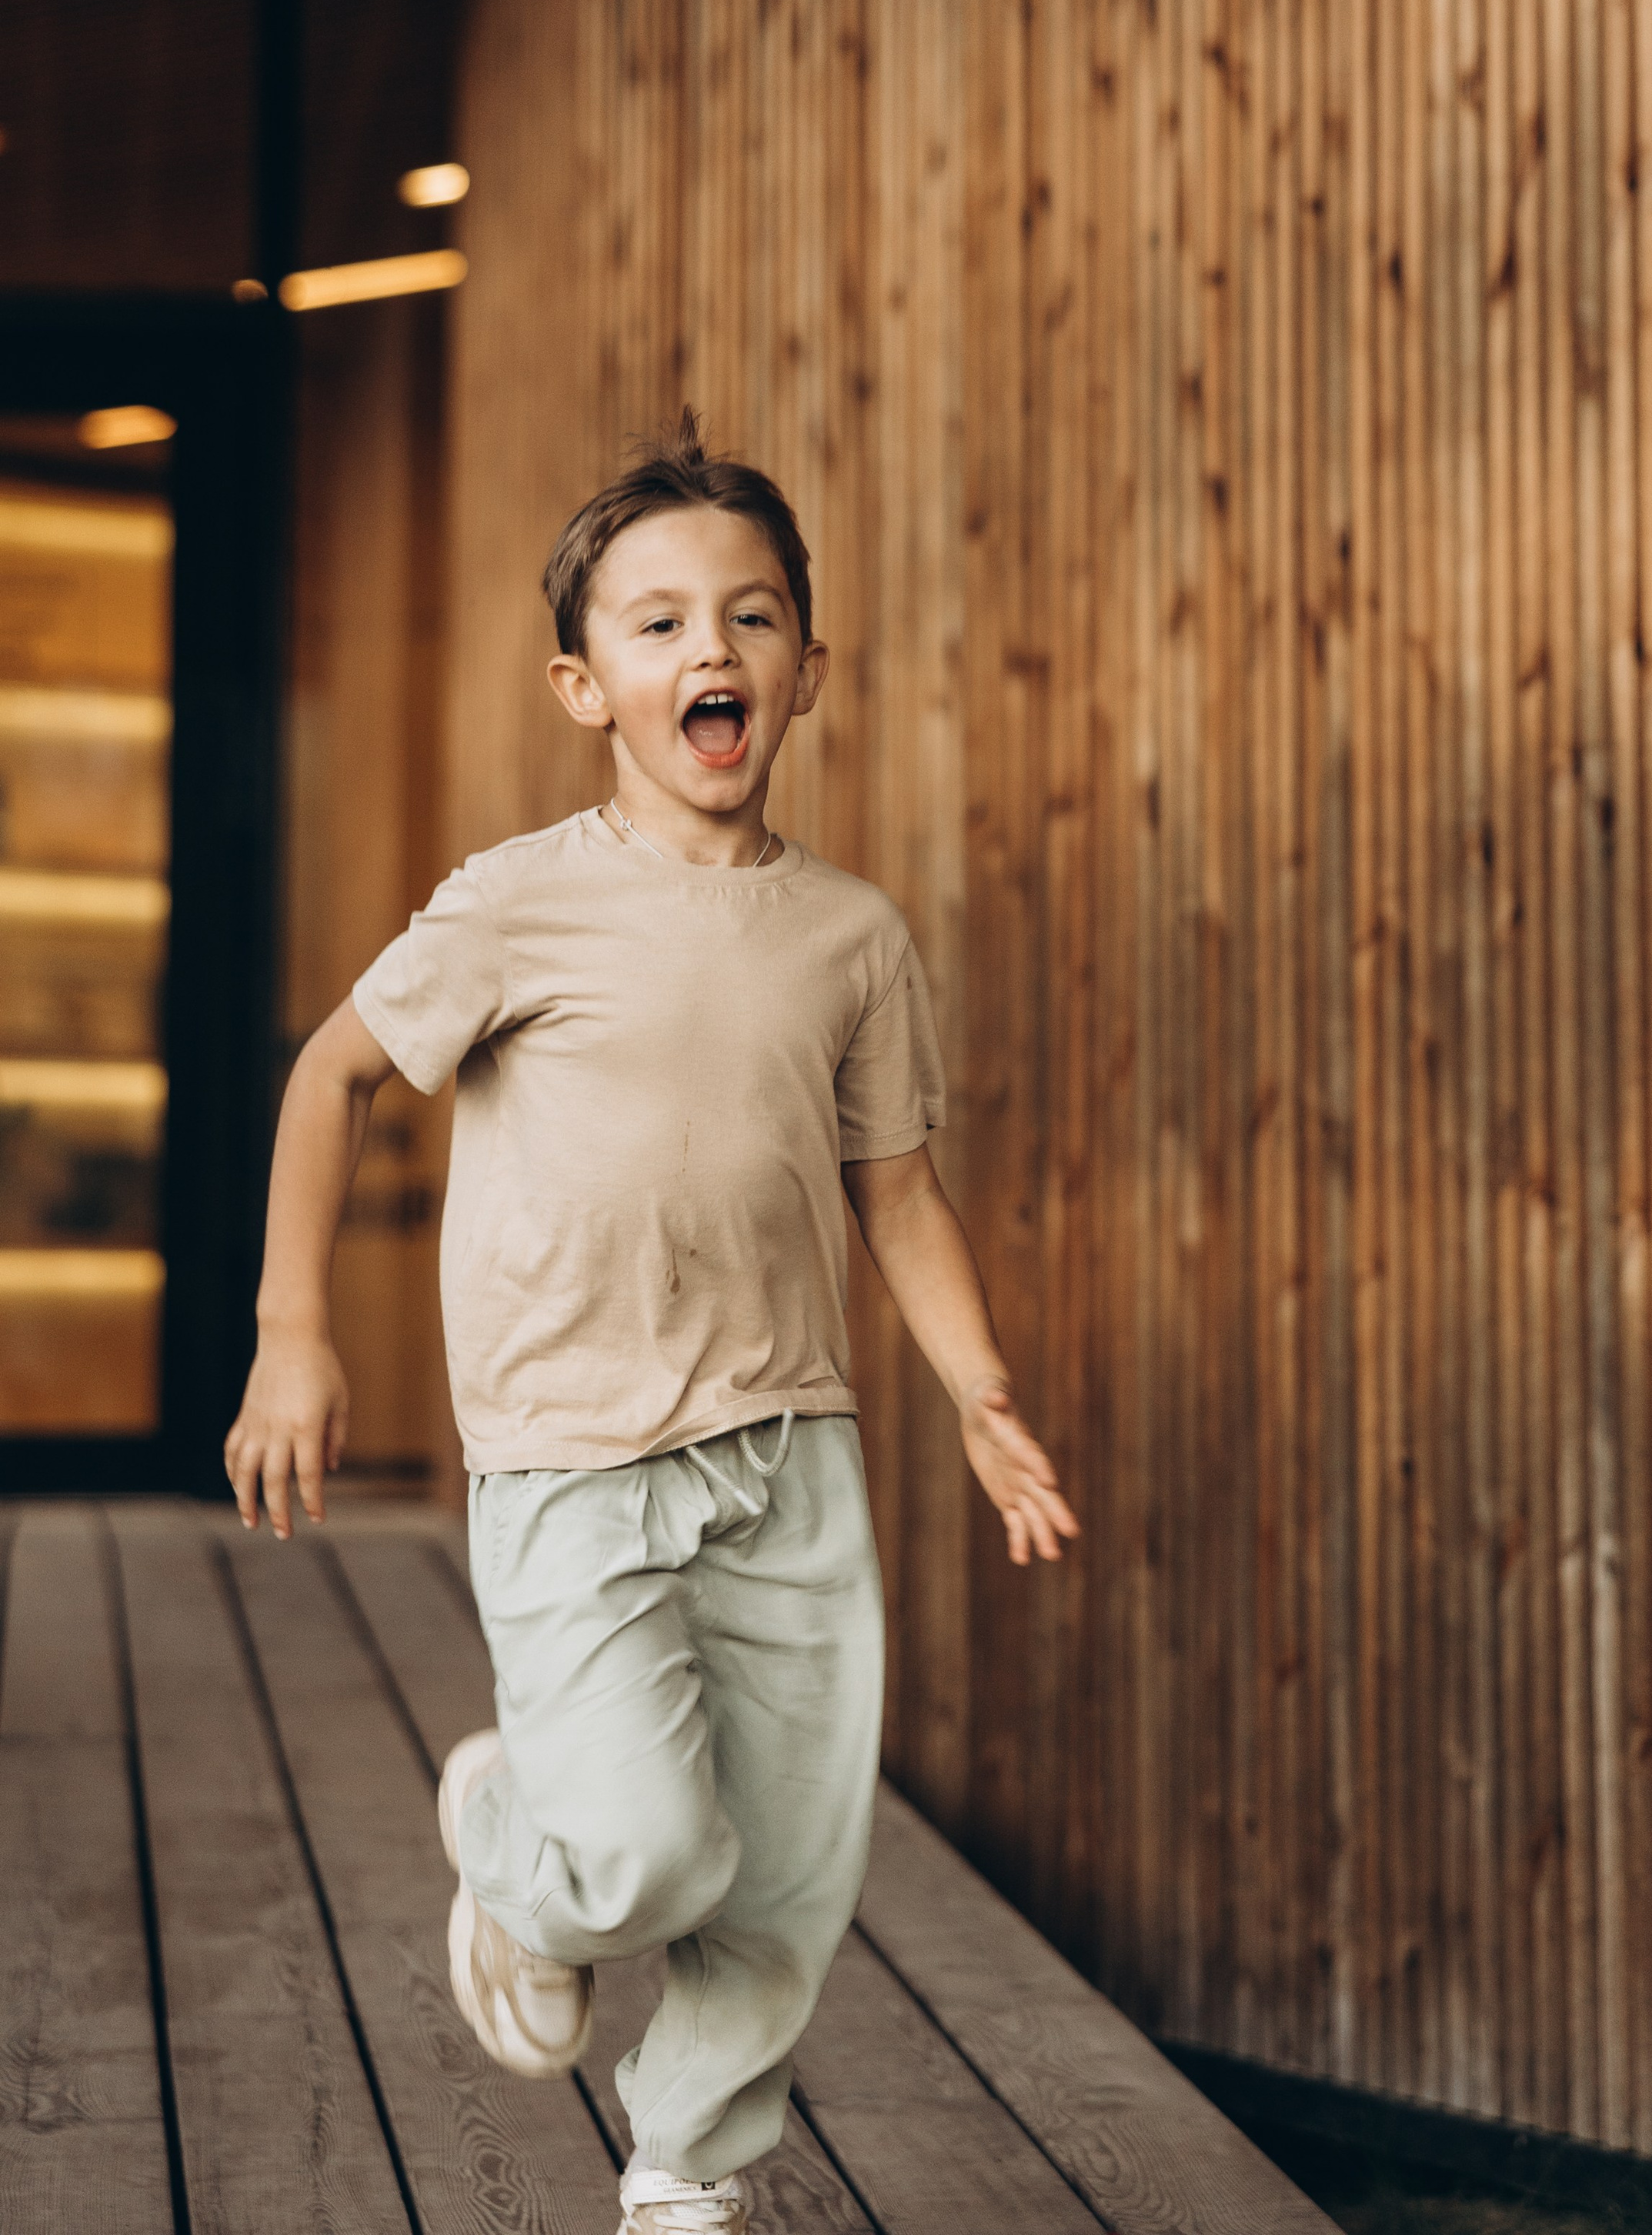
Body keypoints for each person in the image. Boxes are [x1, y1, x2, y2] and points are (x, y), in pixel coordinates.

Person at [223, 411, 1078, 2235]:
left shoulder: (851, 937)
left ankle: (688, 2170)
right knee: (643, 1851)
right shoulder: (519, 907)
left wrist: (978, 1390)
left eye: (750, 618)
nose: (712, 651)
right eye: (659, 623)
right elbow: (333, 1075)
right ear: (581, 684)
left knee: (781, 1872)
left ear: (807, 672)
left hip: (792, 1457)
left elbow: (897, 1196)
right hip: (573, 1457)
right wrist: (294, 1328)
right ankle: (517, 1861)